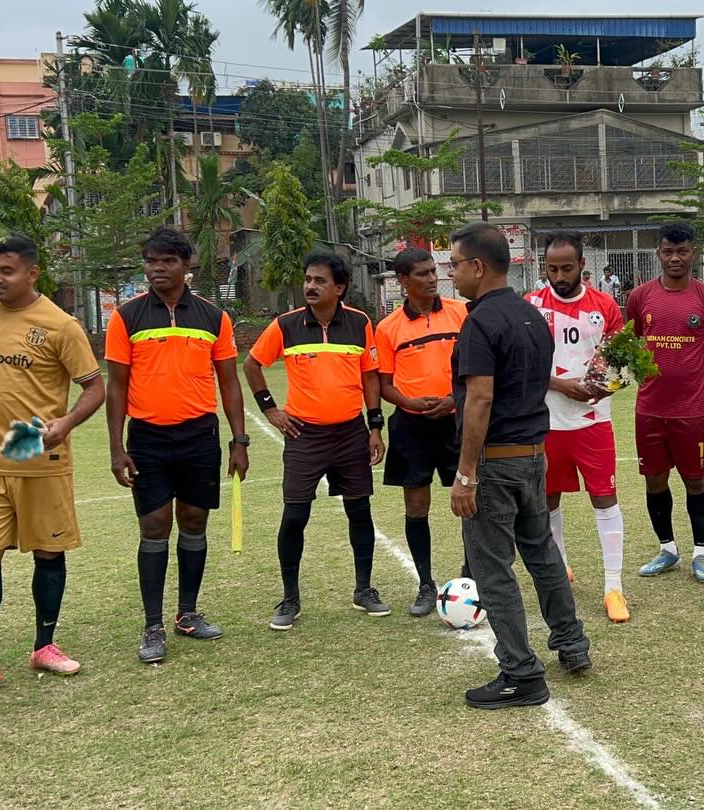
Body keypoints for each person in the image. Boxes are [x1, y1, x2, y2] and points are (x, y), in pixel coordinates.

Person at [0, 234, 105, 703]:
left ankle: (44, 645)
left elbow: (94, 388)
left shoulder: (60, 325)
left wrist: (65, 423)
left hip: (39, 459)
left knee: (49, 555)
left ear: (32, 273)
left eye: (6, 271)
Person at [447, 222, 590, 710]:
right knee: (543, 554)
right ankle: (572, 643)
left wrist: (465, 474)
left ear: (478, 267)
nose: (452, 274)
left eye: (455, 265)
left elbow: (481, 398)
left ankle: (520, 672)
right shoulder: (533, 317)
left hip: (496, 465)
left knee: (493, 570)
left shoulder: (481, 323)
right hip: (533, 457)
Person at [106, 228, 249, 664]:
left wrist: (239, 440)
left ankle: (187, 613)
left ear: (187, 266)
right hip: (147, 438)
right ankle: (152, 625)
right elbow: (115, 387)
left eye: (167, 261)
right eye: (151, 261)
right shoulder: (126, 316)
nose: (156, 269)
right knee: (153, 527)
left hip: (198, 436)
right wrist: (117, 447)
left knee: (193, 520)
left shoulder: (213, 317)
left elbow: (229, 382)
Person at [246, 250, 388, 627]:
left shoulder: (360, 323)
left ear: (339, 287)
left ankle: (364, 590)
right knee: (295, 514)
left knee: (359, 511)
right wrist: (270, 409)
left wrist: (375, 427)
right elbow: (252, 364)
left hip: (349, 433)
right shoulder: (286, 324)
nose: (310, 286)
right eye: (308, 279)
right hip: (304, 435)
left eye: (319, 280)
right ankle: (290, 599)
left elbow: (370, 375)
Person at [526, 232, 630, 623]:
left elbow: (626, 363)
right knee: (548, 500)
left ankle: (613, 587)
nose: (559, 275)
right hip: (546, 422)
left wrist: (605, 387)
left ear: (582, 263)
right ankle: (561, 568)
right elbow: (523, 363)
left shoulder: (604, 306)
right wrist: (559, 384)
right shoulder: (532, 306)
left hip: (593, 424)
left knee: (604, 499)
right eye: (552, 268)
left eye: (567, 268)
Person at [626, 221, 704, 584]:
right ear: (659, 253)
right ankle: (667, 549)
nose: (675, 258)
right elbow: (634, 342)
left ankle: (701, 554)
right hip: (649, 408)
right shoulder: (639, 297)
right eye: (668, 251)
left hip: (691, 411)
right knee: (654, 481)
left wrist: (701, 381)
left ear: (693, 253)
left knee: (695, 481)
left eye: (682, 251)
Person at [375, 247, 466, 615]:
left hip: (457, 419)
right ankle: (426, 585)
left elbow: (476, 368)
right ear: (402, 280)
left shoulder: (462, 313)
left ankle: (472, 574)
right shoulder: (388, 327)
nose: (432, 279)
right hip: (411, 426)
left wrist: (451, 399)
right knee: (416, 505)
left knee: (471, 501)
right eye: (422, 274)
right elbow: (384, 384)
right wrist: (410, 404)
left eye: (434, 271)